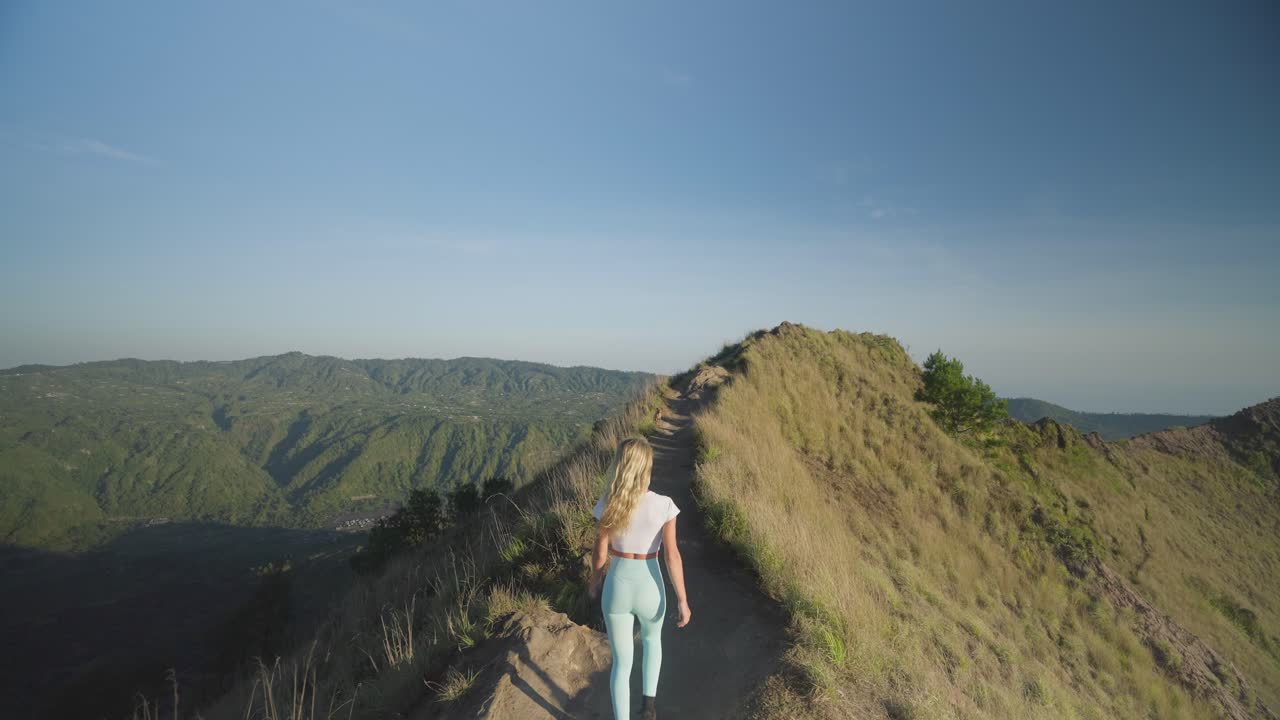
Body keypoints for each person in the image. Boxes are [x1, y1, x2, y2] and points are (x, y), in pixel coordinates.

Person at [588, 436, 691, 720]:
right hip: (650, 583)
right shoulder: (665, 505)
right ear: (647, 467)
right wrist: (682, 600)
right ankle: (648, 709)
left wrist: (595, 580)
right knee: (652, 641)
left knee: (621, 663)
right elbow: (672, 556)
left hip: (618, 583)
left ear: (621, 466)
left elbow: (600, 551)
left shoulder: (608, 503)